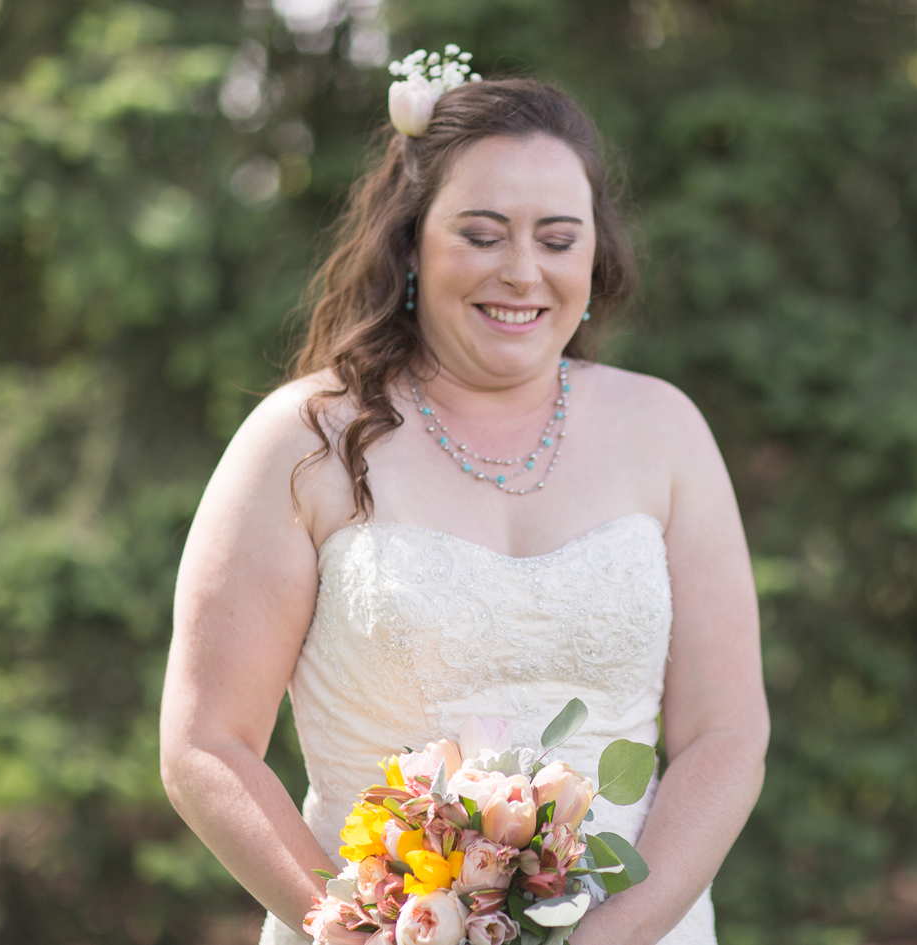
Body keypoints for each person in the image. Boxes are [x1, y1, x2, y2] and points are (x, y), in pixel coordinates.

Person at [158, 52, 769, 945]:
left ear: (594, 255)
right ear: (410, 243)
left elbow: (725, 733)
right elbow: (206, 745)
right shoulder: (304, 440)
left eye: (557, 239)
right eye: (482, 234)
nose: (523, 272)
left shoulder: (665, 431)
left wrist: (624, 930)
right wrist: (363, 926)